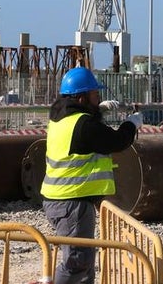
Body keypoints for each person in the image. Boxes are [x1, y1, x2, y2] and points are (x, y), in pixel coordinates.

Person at [41, 67, 141, 284]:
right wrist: (132, 124)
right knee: (77, 261)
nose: (99, 99)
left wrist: (100, 111)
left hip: (60, 199)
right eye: (95, 95)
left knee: (84, 264)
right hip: (72, 201)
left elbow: (85, 129)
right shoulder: (84, 125)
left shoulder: (60, 118)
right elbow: (116, 141)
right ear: (81, 97)